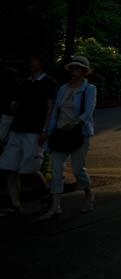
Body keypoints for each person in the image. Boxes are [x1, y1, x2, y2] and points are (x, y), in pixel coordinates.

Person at [0, 49, 56, 216]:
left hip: (34, 130)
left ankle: (46, 190)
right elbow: (14, 104)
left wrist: (46, 130)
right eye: (30, 59)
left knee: (29, 169)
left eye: (35, 60)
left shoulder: (49, 83)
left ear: (42, 62)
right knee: (10, 168)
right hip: (17, 128)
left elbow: (50, 108)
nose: (31, 62)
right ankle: (16, 204)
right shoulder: (24, 83)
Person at [41, 55, 97, 220]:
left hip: (79, 132)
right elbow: (55, 112)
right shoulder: (63, 88)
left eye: (78, 68)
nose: (74, 71)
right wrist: (48, 131)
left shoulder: (89, 89)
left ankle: (88, 194)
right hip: (60, 132)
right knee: (57, 170)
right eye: (73, 68)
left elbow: (89, 110)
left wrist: (76, 122)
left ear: (84, 71)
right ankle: (55, 205)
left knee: (78, 169)